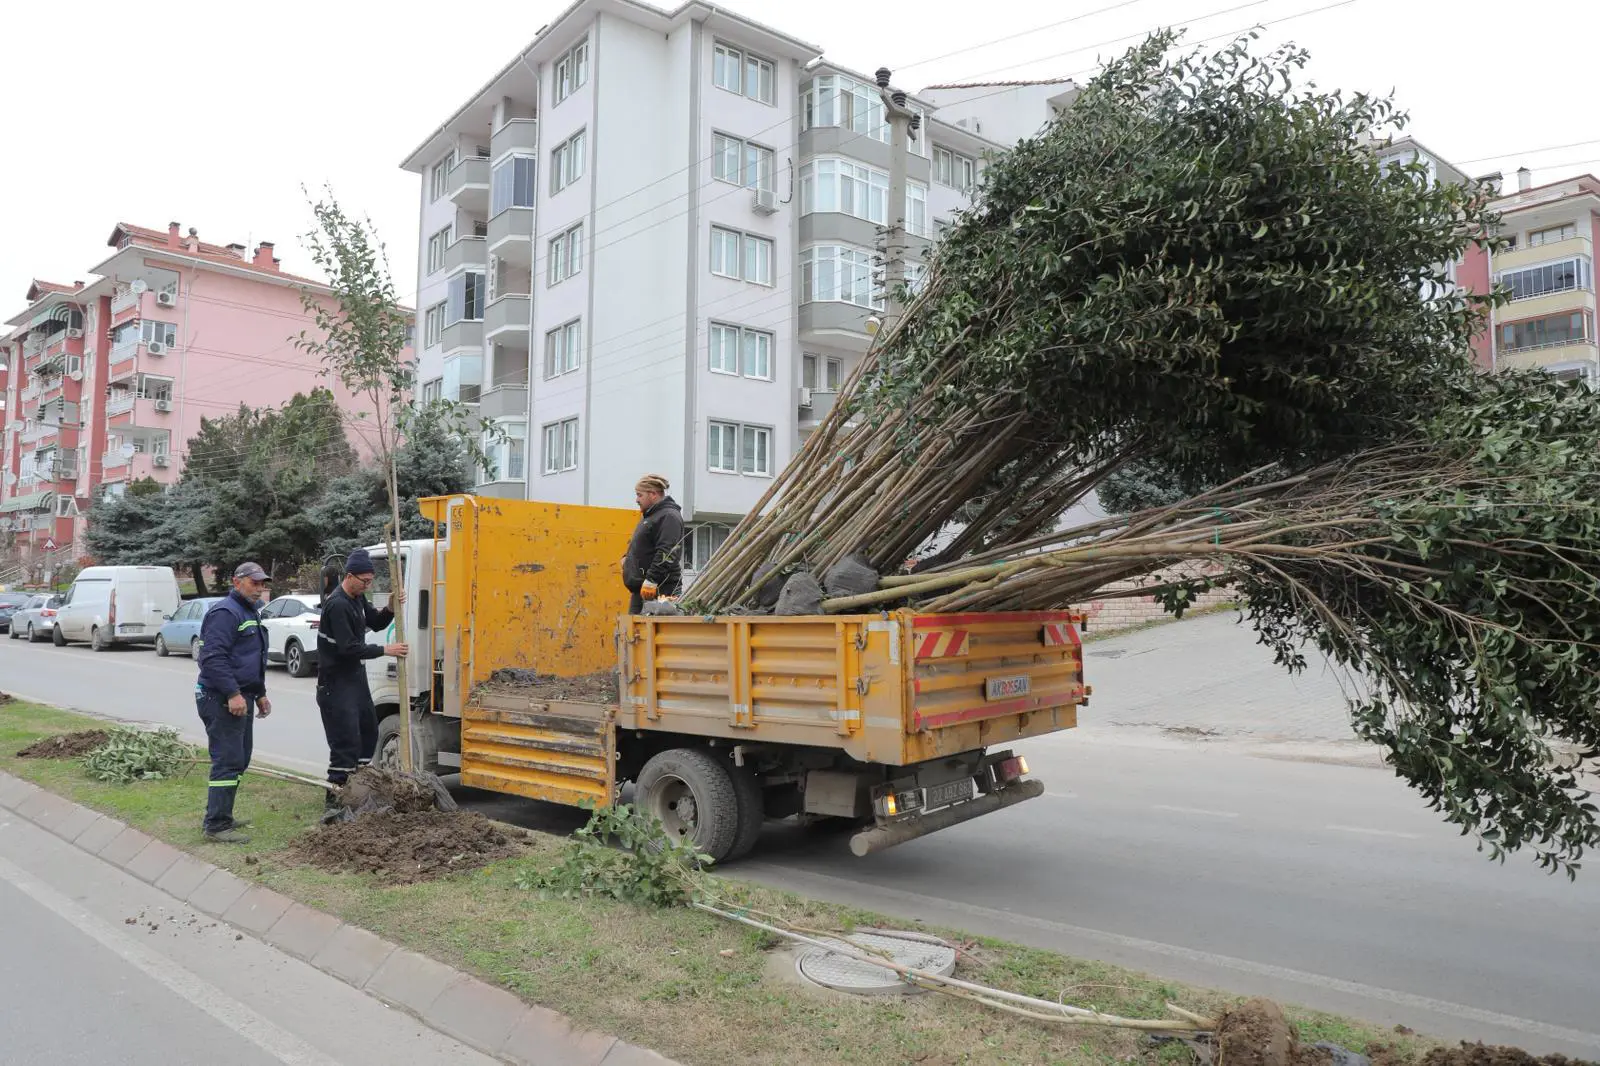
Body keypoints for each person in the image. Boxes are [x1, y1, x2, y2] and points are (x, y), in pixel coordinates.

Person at [316, 548, 408, 820]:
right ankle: (334, 803)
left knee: (368, 733)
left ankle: (357, 793)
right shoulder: (338, 604)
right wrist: (385, 651)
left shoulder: (357, 598)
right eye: (364, 581)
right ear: (349, 576)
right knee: (345, 743)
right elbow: (348, 648)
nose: (368, 585)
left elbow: (377, 623)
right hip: (334, 685)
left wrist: (391, 607)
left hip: (355, 681)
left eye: (371, 581)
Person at [194, 562, 273, 844]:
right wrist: (232, 693)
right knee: (227, 761)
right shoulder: (226, 612)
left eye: (263, 584)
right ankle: (215, 825)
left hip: (243, 696)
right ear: (237, 582)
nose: (260, 589)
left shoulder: (249, 612)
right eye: (255, 583)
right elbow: (213, 658)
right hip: (220, 698)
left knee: (240, 759)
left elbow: (251, 660)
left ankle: (223, 815)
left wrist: (259, 693)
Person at [622, 473, 684, 613]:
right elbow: (644, 545)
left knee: (654, 633)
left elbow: (668, 552)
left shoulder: (669, 516)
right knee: (635, 633)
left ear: (653, 494)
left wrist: (651, 580)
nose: (637, 500)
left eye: (640, 495)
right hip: (643, 590)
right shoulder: (651, 516)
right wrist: (627, 559)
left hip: (660, 590)